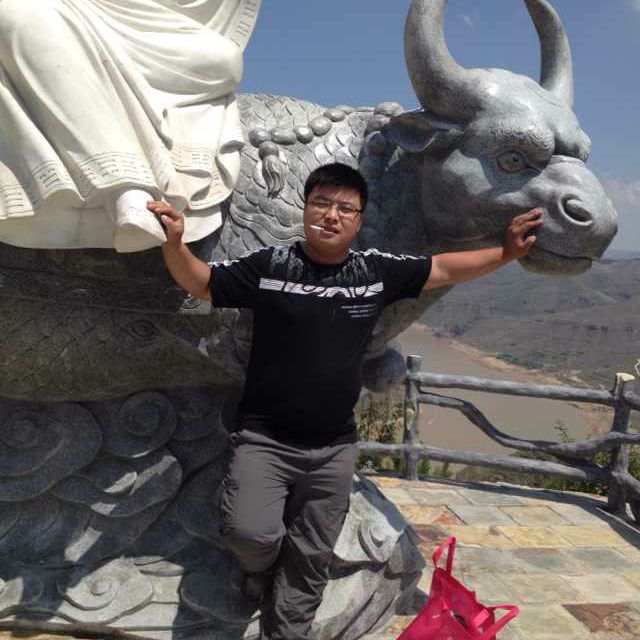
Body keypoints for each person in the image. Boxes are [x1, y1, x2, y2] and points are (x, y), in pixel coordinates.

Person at [152, 163, 543, 640]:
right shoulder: (272, 266)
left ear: (358, 220)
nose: (331, 215)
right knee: (250, 534)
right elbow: (203, 282)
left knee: (311, 555)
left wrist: (505, 253)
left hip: (333, 448)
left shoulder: (373, 272)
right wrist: (174, 244)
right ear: (305, 209)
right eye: (321, 203)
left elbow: (442, 268)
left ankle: (287, 631)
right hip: (265, 440)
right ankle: (260, 568)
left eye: (344, 208)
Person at [0, 0, 248, 252]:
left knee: (225, 59)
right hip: (47, 10)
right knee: (21, 16)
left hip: (128, 18)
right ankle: (126, 187)